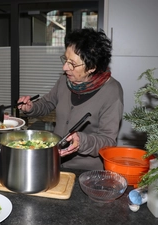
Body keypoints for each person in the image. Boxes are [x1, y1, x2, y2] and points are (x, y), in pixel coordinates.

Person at [17, 28, 123, 171]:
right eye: (65, 60)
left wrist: (82, 141)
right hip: (56, 161)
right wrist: (31, 108)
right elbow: (48, 103)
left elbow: (108, 141)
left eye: (72, 63)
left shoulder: (111, 91)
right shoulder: (64, 80)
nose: (65, 67)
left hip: (85, 171)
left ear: (92, 67)